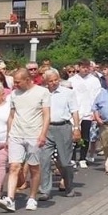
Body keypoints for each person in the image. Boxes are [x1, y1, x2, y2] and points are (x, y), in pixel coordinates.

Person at [4, 68, 52, 212]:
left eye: (18, 82)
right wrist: (8, 135)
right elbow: (11, 116)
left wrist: (43, 134)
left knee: (34, 167)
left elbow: (46, 115)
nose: (15, 85)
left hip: (34, 135)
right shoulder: (14, 94)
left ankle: (32, 198)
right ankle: (10, 199)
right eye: (14, 82)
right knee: (14, 167)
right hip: (16, 135)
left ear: (27, 80)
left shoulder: (42, 92)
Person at [40, 69, 79, 197]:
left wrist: (76, 128)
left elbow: (74, 111)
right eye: (50, 81)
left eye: (56, 80)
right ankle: (45, 190)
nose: (54, 83)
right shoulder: (42, 93)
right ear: (46, 82)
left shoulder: (68, 93)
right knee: (45, 160)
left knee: (64, 161)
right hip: (46, 128)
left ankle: (68, 186)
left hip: (63, 127)